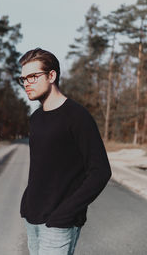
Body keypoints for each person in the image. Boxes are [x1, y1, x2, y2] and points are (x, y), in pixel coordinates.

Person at [17, 48, 112, 255]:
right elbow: (42, 168)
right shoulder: (36, 119)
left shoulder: (77, 116)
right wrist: (26, 201)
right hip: (32, 217)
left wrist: (67, 213)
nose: (26, 83)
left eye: (33, 76)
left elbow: (100, 171)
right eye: (23, 78)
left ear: (52, 75)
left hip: (59, 223)